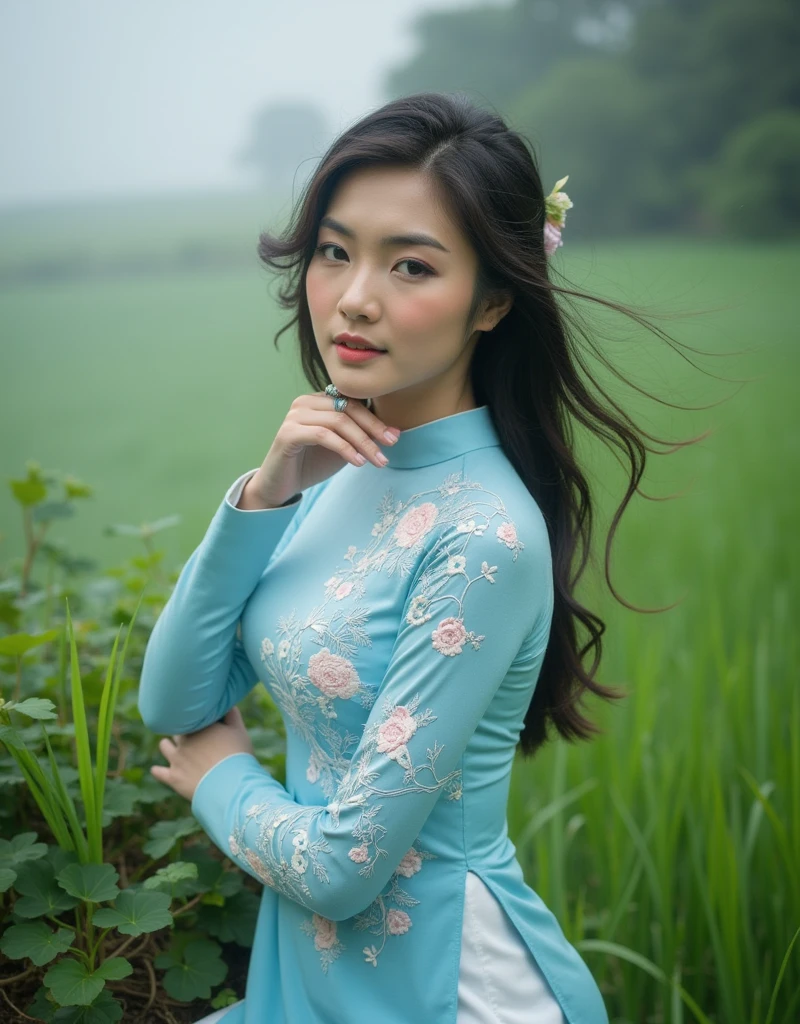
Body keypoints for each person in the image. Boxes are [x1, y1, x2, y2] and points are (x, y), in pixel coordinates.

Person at [138, 91, 695, 1023]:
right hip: (311, 980)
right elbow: (174, 701)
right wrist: (264, 494)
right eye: (335, 251)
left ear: (495, 301)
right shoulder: (329, 469)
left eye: (411, 265)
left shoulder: (483, 537)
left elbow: (344, 868)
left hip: (451, 990)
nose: (355, 297)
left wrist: (220, 778)